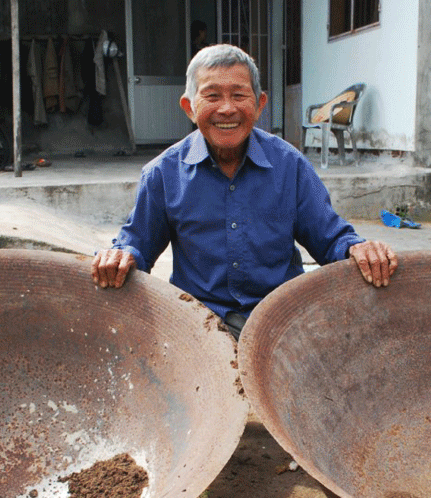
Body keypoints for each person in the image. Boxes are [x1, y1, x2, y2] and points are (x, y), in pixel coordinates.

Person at [92, 44, 397, 339]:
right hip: (199, 323)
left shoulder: (290, 165)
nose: (227, 109)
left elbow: (330, 238)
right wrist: (121, 256)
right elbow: (137, 245)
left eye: (239, 95)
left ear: (259, 104)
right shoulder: (163, 173)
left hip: (280, 321)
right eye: (212, 96)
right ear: (189, 107)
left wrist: (359, 248)